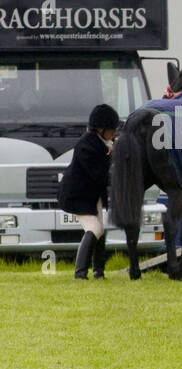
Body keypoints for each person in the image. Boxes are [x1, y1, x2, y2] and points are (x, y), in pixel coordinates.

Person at [58, 104, 118, 280]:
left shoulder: (101, 142)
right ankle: (80, 272)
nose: (114, 133)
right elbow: (99, 176)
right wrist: (111, 156)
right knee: (95, 228)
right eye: (112, 130)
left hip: (92, 196)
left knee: (100, 231)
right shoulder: (86, 146)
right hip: (78, 196)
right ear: (100, 129)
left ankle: (98, 272)